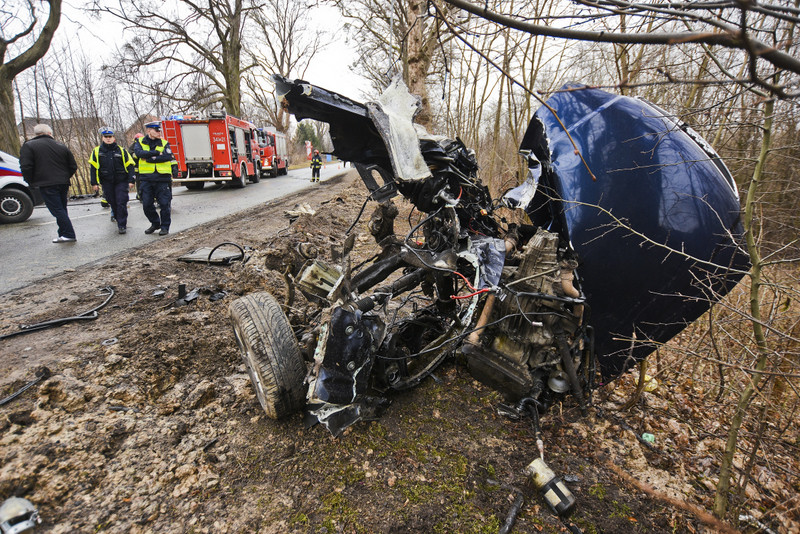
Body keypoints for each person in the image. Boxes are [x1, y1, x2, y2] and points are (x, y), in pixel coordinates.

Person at [19, 124, 79, 243]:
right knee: (62, 208)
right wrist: (65, 176)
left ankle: (68, 234)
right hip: (63, 182)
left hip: (46, 183)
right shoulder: (61, 146)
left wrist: (30, 181)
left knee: (57, 210)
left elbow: (26, 166)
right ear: (50, 133)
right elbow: (73, 166)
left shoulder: (29, 146)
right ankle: (62, 233)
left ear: (36, 134)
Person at [88, 127, 135, 234]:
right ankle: (119, 219)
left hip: (121, 181)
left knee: (121, 202)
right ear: (102, 138)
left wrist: (131, 180)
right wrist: (94, 182)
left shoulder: (121, 150)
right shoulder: (96, 151)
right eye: (106, 137)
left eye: (110, 137)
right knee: (112, 202)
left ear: (114, 137)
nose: (108, 139)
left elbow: (130, 166)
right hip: (106, 181)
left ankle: (122, 225)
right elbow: (93, 168)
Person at [134, 121, 175, 235]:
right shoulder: (140, 142)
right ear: (148, 131)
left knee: (164, 204)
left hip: (162, 178)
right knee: (146, 204)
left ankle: (165, 227)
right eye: (156, 130)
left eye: (159, 130)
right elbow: (139, 153)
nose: (158, 132)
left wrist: (150, 158)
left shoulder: (164, 142)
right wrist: (156, 153)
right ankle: (155, 223)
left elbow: (168, 156)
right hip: (147, 178)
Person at [130, 132, 144, 201]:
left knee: (143, 183)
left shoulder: (143, 146)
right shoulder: (133, 147)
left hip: (144, 169)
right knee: (138, 182)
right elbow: (133, 156)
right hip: (136, 169)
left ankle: (141, 195)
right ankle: (140, 195)